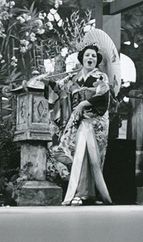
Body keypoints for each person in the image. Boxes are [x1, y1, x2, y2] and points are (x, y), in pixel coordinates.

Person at [41, 44, 112, 206]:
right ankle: (83, 193)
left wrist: (83, 104)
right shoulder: (73, 78)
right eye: (87, 55)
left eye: (94, 56)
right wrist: (45, 81)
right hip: (78, 121)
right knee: (78, 153)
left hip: (94, 121)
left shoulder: (101, 77)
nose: (90, 58)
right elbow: (57, 87)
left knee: (90, 156)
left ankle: (88, 193)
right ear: (82, 58)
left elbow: (103, 97)